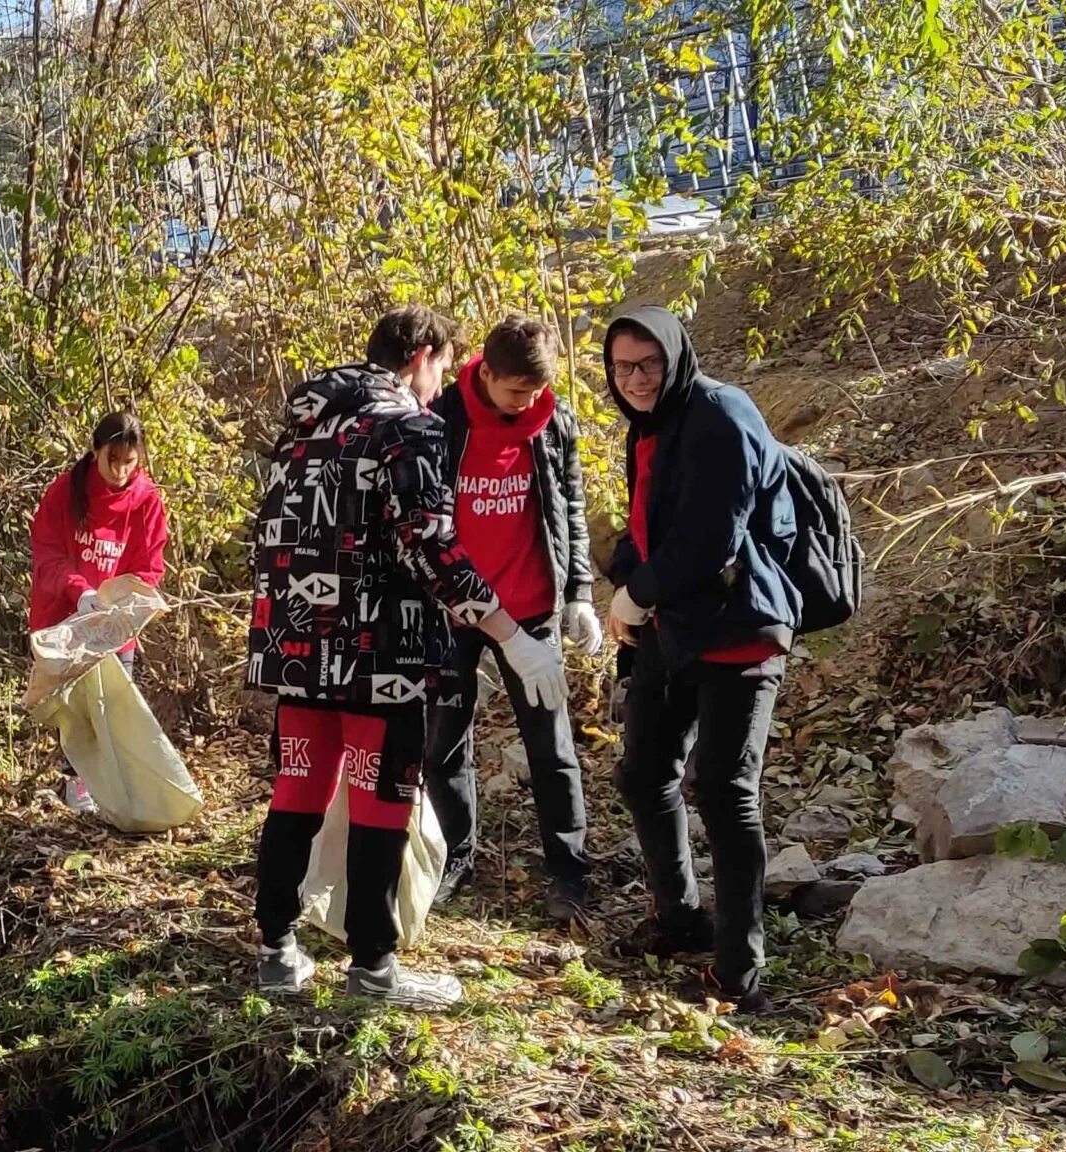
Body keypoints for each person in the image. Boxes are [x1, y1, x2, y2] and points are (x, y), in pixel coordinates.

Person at [245, 306, 570, 1010]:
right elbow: (432, 548)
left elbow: (269, 534)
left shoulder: (304, 424)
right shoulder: (409, 425)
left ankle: (276, 949)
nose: (440, 387)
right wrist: (512, 634)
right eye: (443, 370)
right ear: (421, 354)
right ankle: (373, 966)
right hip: (379, 653)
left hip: (298, 649)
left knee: (297, 791)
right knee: (380, 803)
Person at [602, 305, 799, 1012]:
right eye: (623, 367)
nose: (636, 379)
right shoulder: (648, 427)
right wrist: (624, 582)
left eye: (648, 363)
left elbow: (714, 539)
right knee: (645, 772)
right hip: (674, 628)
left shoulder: (721, 415)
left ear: (676, 357)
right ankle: (679, 920)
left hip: (741, 629)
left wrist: (637, 595)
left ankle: (739, 972)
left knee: (722, 789)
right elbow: (641, 526)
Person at [422, 318, 600, 922]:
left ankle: (569, 872)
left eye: (533, 394)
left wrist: (579, 592)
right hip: (450, 610)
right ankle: (455, 857)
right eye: (514, 392)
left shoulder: (553, 422)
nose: (524, 404)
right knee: (443, 742)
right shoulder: (441, 418)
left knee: (551, 745)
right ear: (486, 372)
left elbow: (569, 507)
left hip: (530, 610)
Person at [28, 411, 168, 810]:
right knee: (74, 706)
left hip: (115, 621)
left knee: (116, 703)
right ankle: (77, 784)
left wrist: (123, 599)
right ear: (96, 451)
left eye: (129, 462)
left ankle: (114, 788)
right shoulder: (65, 492)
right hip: (66, 616)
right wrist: (81, 593)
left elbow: (148, 565)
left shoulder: (146, 500)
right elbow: (48, 555)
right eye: (113, 460)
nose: (121, 471)